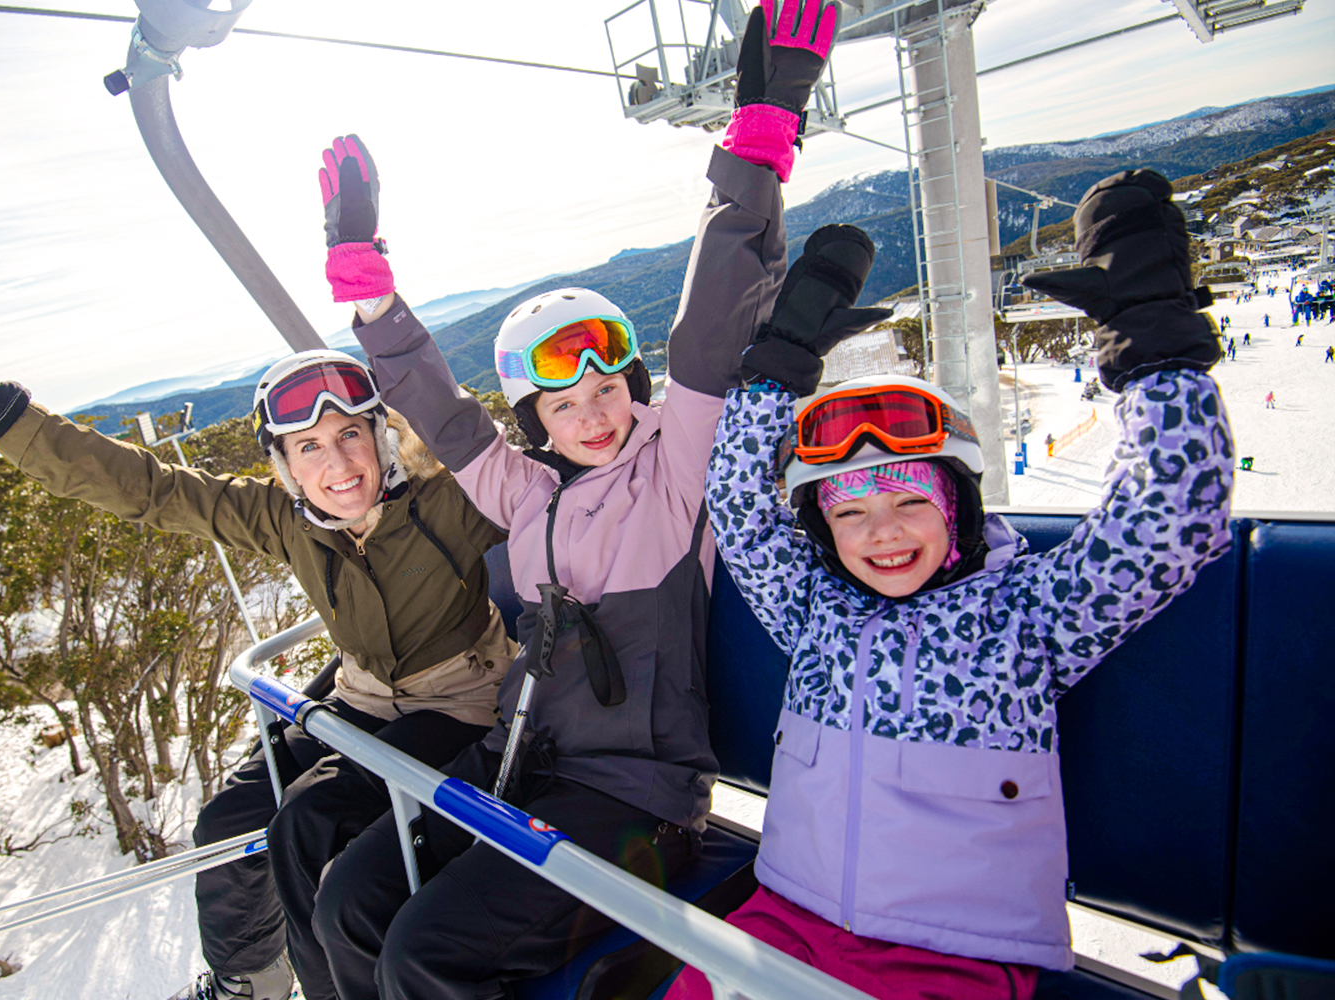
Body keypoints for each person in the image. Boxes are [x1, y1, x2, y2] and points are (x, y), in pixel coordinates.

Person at [291, 4, 880, 998]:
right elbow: (434, 410)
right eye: (562, 404)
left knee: (424, 952)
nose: (593, 415)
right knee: (350, 897)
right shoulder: (524, 491)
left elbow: (706, 330)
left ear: (636, 387)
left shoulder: (673, 467)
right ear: (533, 423)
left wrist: (759, 141)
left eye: (608, 388)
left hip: (633, 797)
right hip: (519, 756)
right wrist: (368, 293)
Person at [0, 290, 520, 1000]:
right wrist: (1, 417)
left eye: (351, 435)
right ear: (284, 463)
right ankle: (248, 978)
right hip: (364, 697)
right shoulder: (287, 521)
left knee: (308, 826)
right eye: (309, 446)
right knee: (225, 822)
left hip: (460, 699)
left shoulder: (447, 501)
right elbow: (150, 488)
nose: (337, 463)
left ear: (380, 438)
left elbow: (546, 494)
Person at [670, 168, 1232, 1000]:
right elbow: (739, 508)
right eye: (850, 514)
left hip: (953, 953)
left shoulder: (1029, 614)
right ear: (824, 531)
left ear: (960, 507)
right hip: (784, 919)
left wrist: (1154, 344)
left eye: (910, 501)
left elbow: (1174, 517)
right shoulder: (814, 609)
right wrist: (775, 371)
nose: (884, 532)